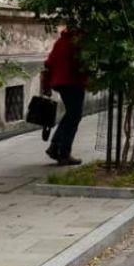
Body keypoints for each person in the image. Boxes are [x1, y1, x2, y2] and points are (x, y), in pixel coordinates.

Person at [41, 27, 86, 165]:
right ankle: (63, 152)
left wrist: (47, 85)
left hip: (60, 83)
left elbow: (49, 63)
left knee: (71, 114)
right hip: (72, 82)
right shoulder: (77, 43)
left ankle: (55, 146)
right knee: (74, 116)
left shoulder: (61, 41)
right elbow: (81, 65)